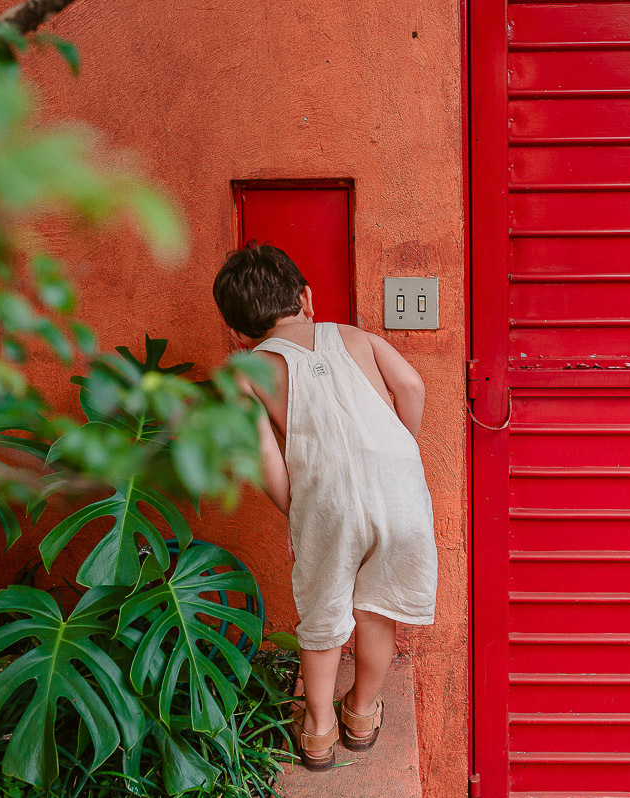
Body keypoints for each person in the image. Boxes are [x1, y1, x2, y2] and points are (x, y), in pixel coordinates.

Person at [213, 243, 438, 769]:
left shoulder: (248, 371)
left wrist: (300, 513)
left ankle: (317, 730)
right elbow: (411, 385)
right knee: (379, 606)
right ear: (307, 298)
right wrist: (401, 450)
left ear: (239, 333)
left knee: (323, 612)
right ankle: (361, 713)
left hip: (327, 502)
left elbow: (265, 459)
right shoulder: (357, 337)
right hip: (400, 490)